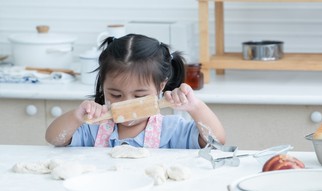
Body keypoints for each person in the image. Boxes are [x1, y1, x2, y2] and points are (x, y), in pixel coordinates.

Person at [45, 33, 225, 149]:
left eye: (139, 96)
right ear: (103, 86)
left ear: (161, 87)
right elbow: (54, 139)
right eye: (115, 95)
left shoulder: (171, 130)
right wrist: (77, 116)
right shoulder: (94, 128)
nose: (125, 102)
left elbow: (217, 142)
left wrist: (195, 107)